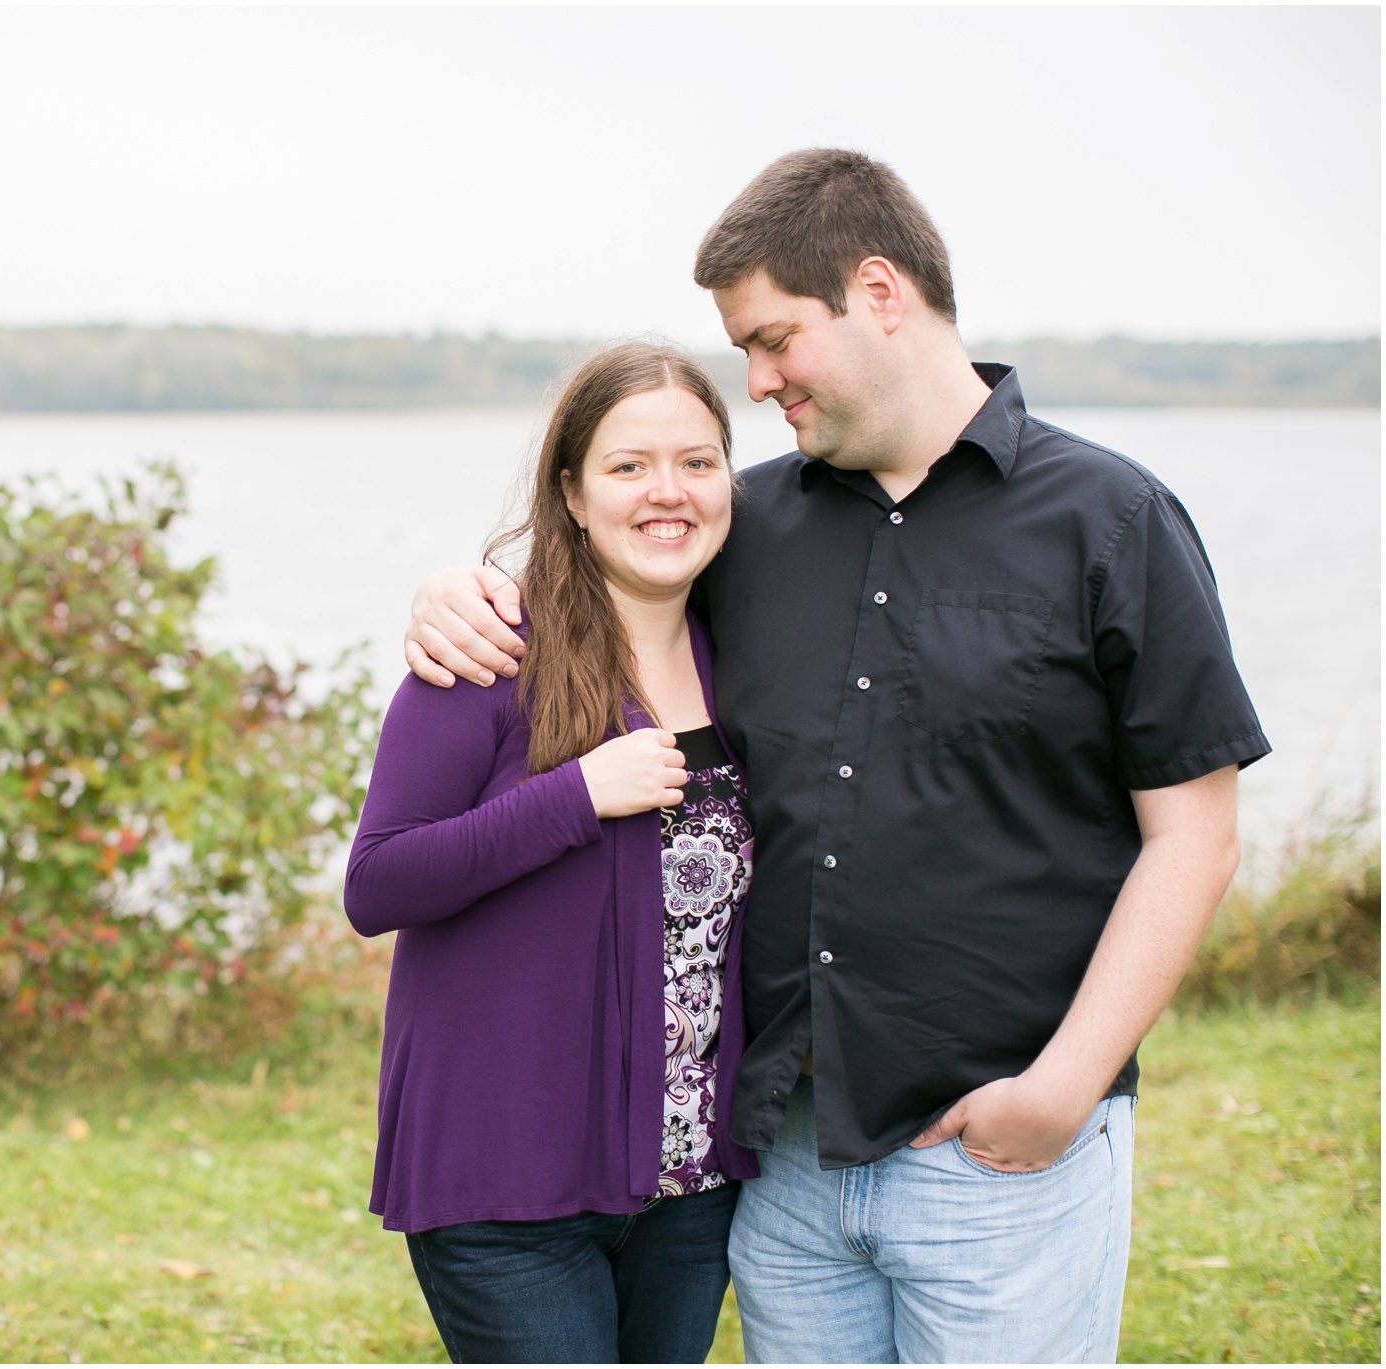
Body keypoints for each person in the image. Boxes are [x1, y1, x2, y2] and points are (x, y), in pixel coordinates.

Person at [403, 150, 1267, 1363]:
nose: (753, 384)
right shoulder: (742, 528)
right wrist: (458, 592)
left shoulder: (1111, 523)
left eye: (769, 340)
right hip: (780, 1166)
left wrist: (1063, 1086)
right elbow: (589, 576)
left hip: (1000, 1151)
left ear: (875, 291)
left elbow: (1195, 832)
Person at [344, 342, 759, 1363]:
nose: (667, 492)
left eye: (697, 462)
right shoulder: (488, 653)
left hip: (687, 1185)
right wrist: (573, 796)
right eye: (627, 466)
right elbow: (377, 880)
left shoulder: (742, 646)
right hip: (507, 1183)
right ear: (570, 492)